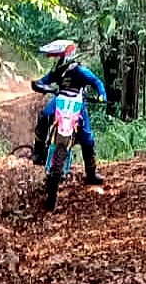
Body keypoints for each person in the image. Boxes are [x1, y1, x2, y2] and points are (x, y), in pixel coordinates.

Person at [30, 39, 106, 186]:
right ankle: (38, 152)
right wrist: (38, 85)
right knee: (44, 115)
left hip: (77, 103)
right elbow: (44, 80)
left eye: (59, 56)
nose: (57, 60)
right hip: (60, 99)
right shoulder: (58, 70)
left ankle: (91, 173)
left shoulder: (81, 71)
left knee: (87, 138)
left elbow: (97, 82)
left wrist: (102, 95)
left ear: (67, 55)